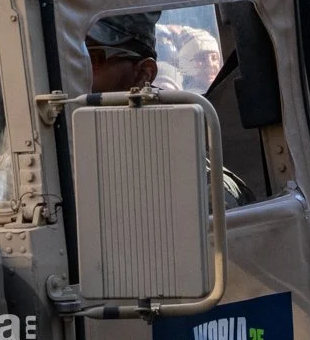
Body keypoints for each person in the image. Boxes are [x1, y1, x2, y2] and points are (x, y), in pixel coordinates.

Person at [87, 14, 254, 208]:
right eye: (72, 59)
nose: (77, 72)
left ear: (144, 74)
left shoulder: (198, 186)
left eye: (92, 59)